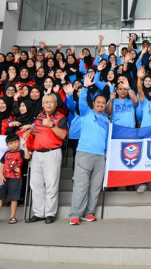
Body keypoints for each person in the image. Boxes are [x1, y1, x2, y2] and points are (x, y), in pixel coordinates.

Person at [65, 76, 110, 225]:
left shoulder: (105, 120)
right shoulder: (86, 112)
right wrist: (85, 87)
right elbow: (82, 101)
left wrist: (106, 151)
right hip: (84, 153)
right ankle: (75, 214)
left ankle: (89, 213)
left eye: (103, 103)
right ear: (94, 103)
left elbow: (105, 138)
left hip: (99, 156)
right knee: (81, 185)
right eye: (98, 102)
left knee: (95, 186)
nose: (101, 105)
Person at [24, 93, 69, 224]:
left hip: (52, 153)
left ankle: (50, 213)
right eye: (46, 102)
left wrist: (52, 125)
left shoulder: (61, 117)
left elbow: (63, 136)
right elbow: (37, 131)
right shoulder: (39, 116)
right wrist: (29, 132)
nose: (49, 104)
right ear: (43, 104)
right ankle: (39, 213)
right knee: (36, 185)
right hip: (37, 154)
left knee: (51, 184)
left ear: (56, 104)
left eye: (51, 102)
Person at [0, 133, 31, 225]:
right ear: (7, 145)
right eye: (11, 143)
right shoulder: (6, 153)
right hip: (5, 178)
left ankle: (12, 216)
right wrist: (1, 175)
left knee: (14, 198)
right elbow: (2, 164)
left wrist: (25, 147)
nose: (14, 145)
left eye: (16, 142)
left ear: (19, 142)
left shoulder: (21, 152)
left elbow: (27, 157)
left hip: (16, 179)